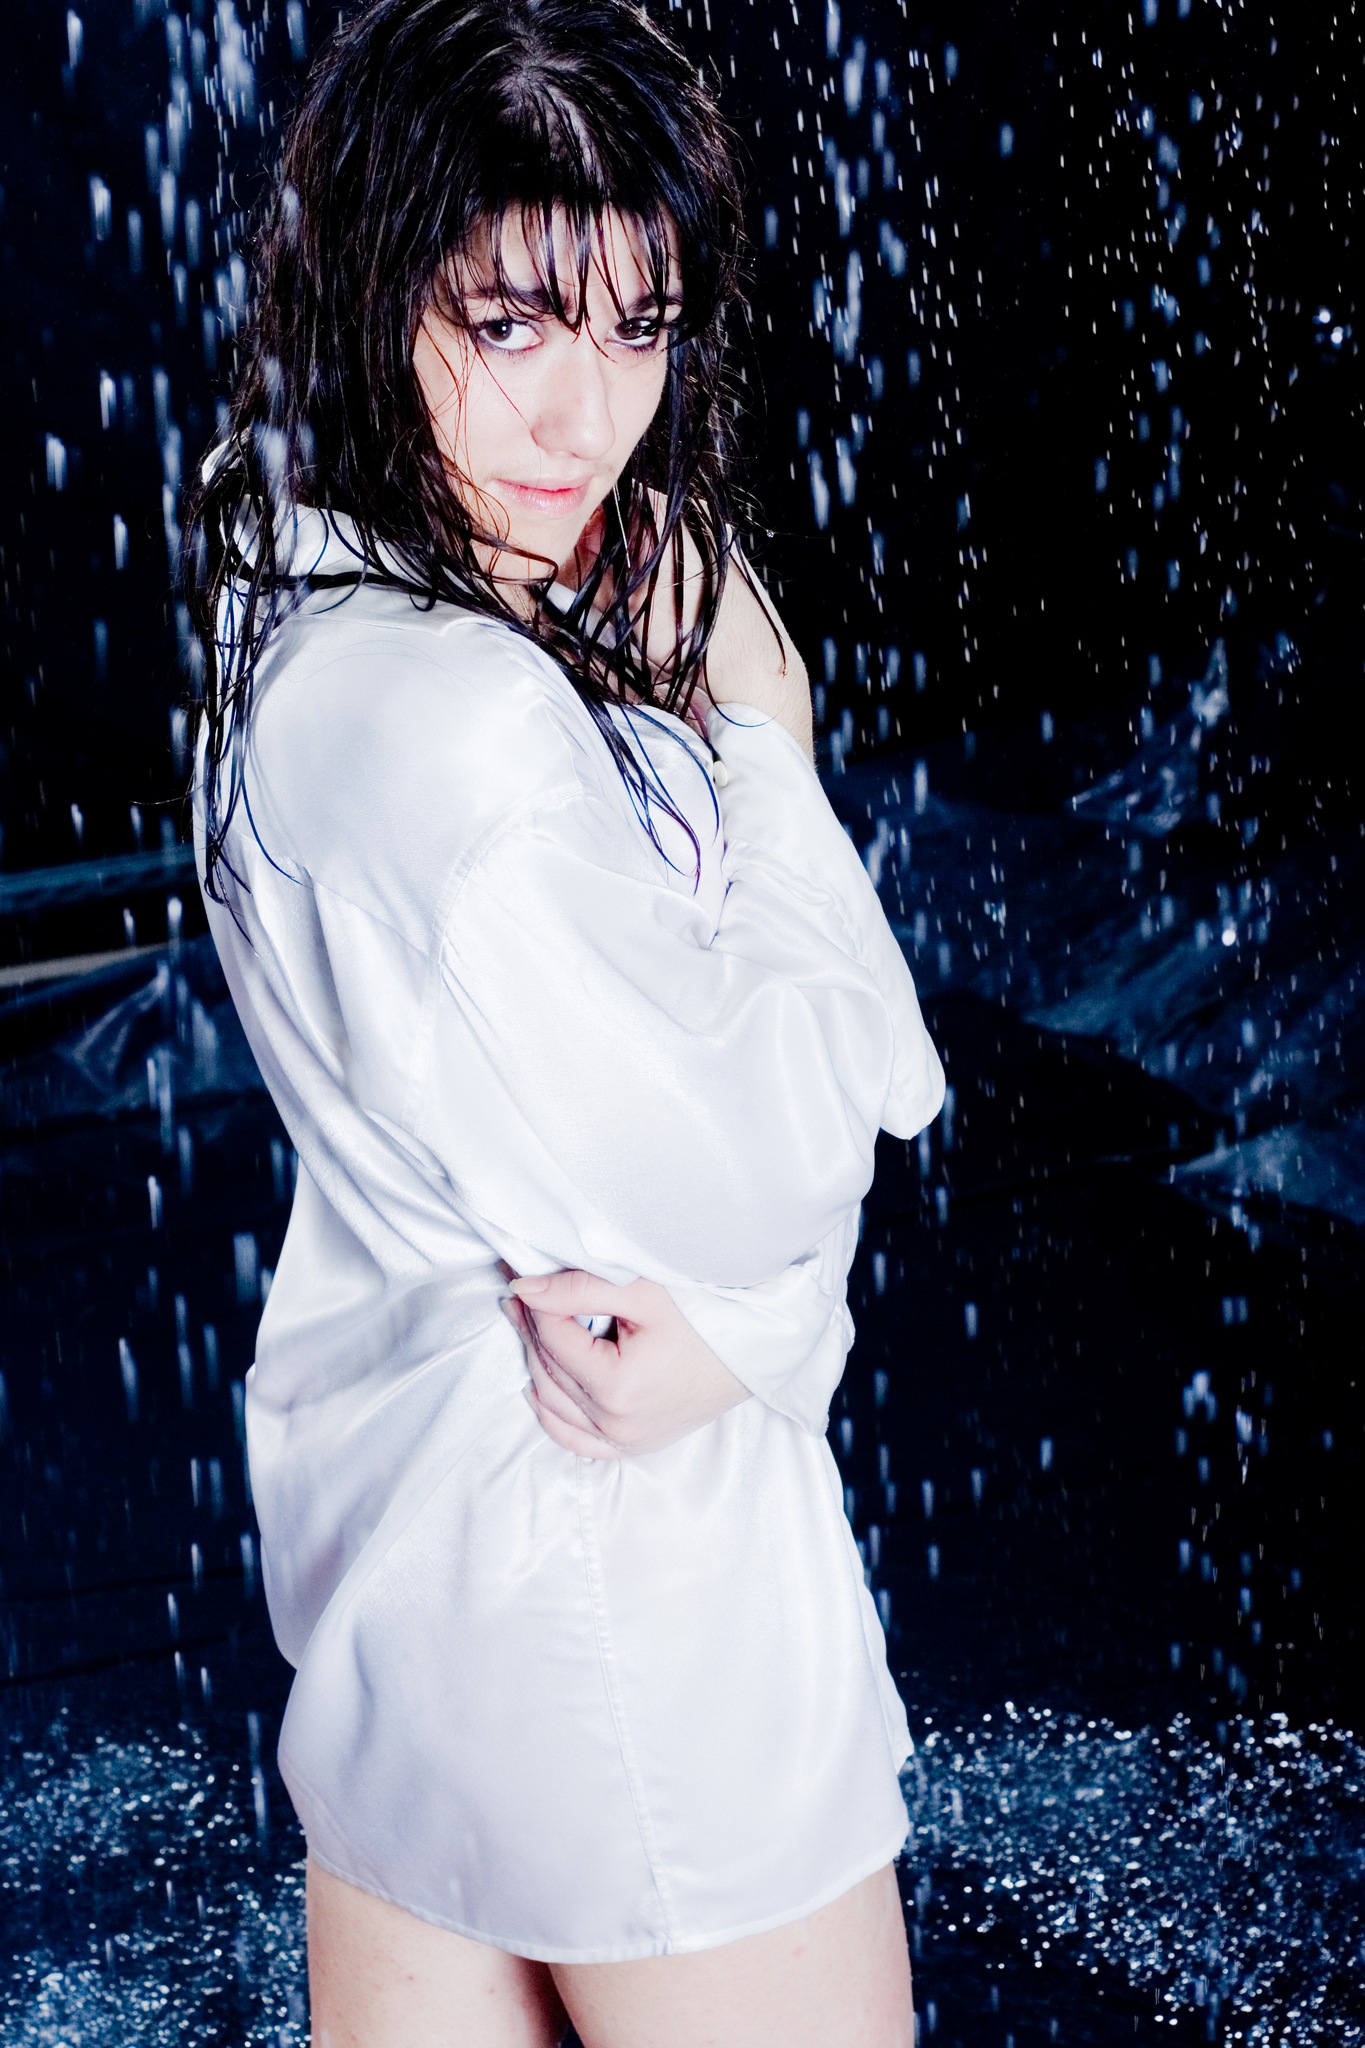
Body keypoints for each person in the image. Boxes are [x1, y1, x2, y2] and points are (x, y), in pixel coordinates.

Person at [185, 1, 944, 2040]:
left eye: (637, 326)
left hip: (412, 1622)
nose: (583, 412)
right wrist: (765, 740)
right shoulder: (469, 722)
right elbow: (791, 1144)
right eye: (507, 321)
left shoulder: (288, 595)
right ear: (370, 293)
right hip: (641, 1630)